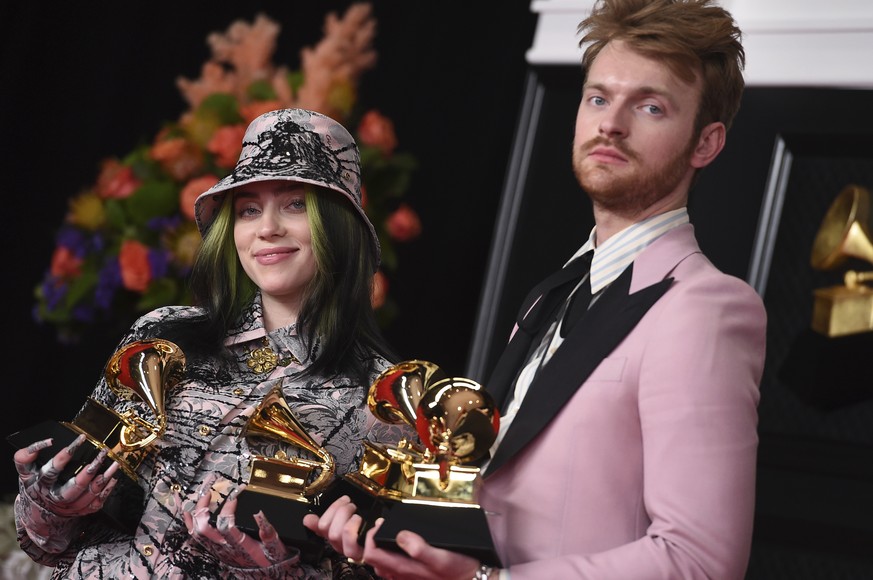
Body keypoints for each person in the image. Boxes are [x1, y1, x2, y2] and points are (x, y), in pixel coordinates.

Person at [303, 1, 767, 578]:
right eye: (599, 98)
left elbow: (701, 562)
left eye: (650, 106)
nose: (611, 124)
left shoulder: (705, 307)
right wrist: (384, 531)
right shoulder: (553, 292)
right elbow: (502, 496)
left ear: (706, 143)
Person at [12, 108, 413, 579]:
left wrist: (271, 571)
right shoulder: (161, 334)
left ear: (339, 225)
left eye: (294, 204)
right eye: (248, 209)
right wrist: (50, 503)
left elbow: (375, 567)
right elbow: (49, 546)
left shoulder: (385, 400)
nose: (267, 228)